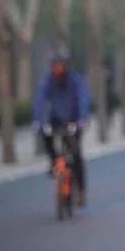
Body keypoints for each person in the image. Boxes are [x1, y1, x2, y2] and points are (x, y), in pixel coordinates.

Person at [32, 52, 91, 206]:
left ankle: (81, 192)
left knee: (76, 153)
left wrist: (82, 119)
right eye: (55, 66)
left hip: (74, 120)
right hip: (56, 119)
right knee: (46, 136)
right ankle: (54, 163)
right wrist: (37, 120)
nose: (57, 69)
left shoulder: (75, 80)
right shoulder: (48, 81)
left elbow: (83, 98)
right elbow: (40, 99)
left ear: (66, 66)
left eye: (60, 66)